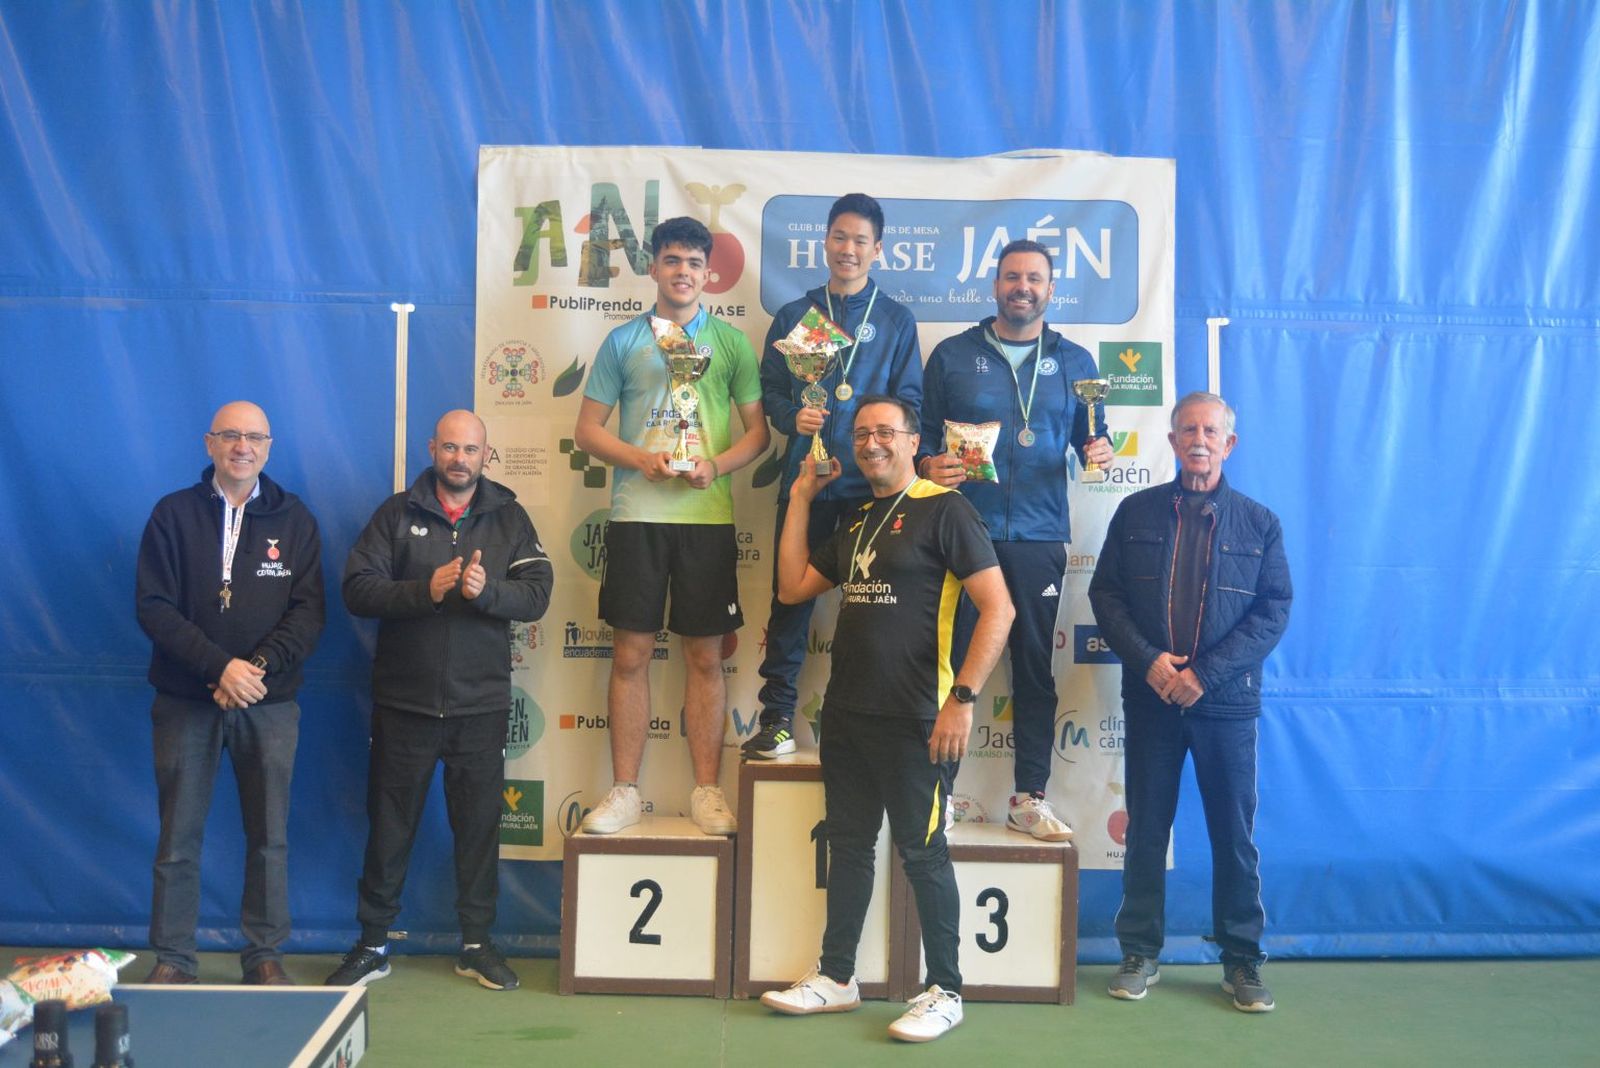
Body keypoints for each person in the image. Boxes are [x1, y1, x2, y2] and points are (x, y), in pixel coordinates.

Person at [761, 396, 1014, 1043]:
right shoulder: (854, 518)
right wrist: (798, 498)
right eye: (863, 433)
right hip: (846, 716)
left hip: (917, 720)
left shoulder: (946, 510)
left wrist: (962, 698)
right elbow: (792, 587)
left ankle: (947, 988)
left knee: (922, 853)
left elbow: (1000, 610)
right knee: (848, 847)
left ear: (912, 440)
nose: (872, 443)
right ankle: (838, 977)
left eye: (886, 433)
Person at [326, 409, 553, 991]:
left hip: (480, 708)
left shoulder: (508, 515)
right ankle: (373, 943)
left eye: (471, 449)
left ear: (485, 454)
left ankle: (477, 944)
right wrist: (421, 591)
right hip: (406, 705)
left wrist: (487, 592)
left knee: (478, 830)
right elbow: (356, 588)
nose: (460, 459)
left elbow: (538, 593)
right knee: (390, 829)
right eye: (450, 448)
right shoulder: (396, 514)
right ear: (432, 449)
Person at [1088, 391, 1291, 1013]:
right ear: (1172, 442)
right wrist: (1150, 661)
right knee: (1147, 829)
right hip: (1152, 700)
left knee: (1233, 835)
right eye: (1186, 430)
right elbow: (1107, 595)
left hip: (1225, 704)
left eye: (1210, 431)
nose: (1198, 440)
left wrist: (1205, 673)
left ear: (1228, 444)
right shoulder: (1135, 513)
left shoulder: (1259, 523)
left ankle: (1241, 961)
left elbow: (1273, 610)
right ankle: (1139, 952)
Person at [573, 216, 770, 835]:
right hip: (637, 515)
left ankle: (707, 789)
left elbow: (759, 435)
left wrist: (715, 464)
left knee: (705, 657)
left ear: (707, 273)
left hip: (706, 519)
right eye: (672, 260)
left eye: (693, 262)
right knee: (630, 652)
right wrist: (640, 459)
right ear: (654, 267)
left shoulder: (732, 344)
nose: (683, 272)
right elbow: (587, 430)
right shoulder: (623, 342)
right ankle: (625, 789)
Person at [918, 238, 1113, 841]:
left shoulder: (1077, 363)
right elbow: (921, 440)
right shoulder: (952, 355)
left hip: (1038, 535)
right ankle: (937, 797)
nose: (1021, 287)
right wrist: (928, 466)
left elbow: (1093, 438)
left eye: (1033, 278)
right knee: (947, 666)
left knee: (1033, 670)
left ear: (1050, 289)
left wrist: (1099, 448)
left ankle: (1028, 798)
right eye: (1010, 277)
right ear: (995, 285)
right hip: (961, 532)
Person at [135, 401, 325, 985]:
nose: (243, 447)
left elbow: (309, 612)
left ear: (269, 448)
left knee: (269, 837)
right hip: (187, 702)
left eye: (254, 438)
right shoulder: (172, 514)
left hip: (268, 705)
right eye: (231, 436)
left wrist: (254, 670)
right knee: (177, 838)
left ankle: (264, 954)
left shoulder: (295, 520)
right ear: (209, 443)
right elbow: (154, 608)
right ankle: (173, 958)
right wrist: (221, 669)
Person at [742, 192, 923, 759]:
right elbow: (769, 389)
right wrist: (789, 416)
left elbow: (911, 398)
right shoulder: (796, 316)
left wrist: (881, 435)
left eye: (860, 241)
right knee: (789, 604)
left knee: (878, 608)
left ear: (878, 250)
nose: (849, 249)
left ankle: (869, 722)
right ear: (824, 241)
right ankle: (775, 719)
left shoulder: (895, 320)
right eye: (839, 237)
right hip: (808, 485)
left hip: (874, 491)